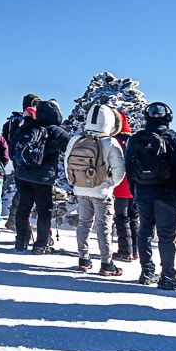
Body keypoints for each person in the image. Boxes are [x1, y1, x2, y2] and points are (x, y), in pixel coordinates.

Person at [125, 101, 176, 290]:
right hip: (167, 193)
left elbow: (129, 168)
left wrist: (133, 192)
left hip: (142, 191)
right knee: (166, 236)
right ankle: (168, 276)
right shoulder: (174, 139)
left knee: (145, 230)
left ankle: (147, 272)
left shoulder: (136, 139)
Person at [65, 104, 126, 275]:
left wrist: (75, 184)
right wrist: (109, 184)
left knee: (83, 223)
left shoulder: (76, 139)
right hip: (102, 191)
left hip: (81, 189)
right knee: (103, 227)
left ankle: (83, 259)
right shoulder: (110, 141)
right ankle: (107, 263)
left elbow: (67, 164)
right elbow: (119, 170)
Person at [10, 100, 69, 254]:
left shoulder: (27, 127)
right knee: (44, 211)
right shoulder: (57, 131)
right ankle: (41, 244)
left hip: (23, 175)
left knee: (23, 207)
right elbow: (70, 150)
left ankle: (21, 241)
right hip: (44, 178)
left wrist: (22, 166)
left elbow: (11, 150)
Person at [3, 93, 40, 232]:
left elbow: (6, 140)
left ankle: (14, 219)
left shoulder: (12, 121)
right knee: (27, 191)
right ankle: (18, 221)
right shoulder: (31, 119)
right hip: (30, 159)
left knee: (22, 189)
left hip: (17, 159)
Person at [112, 111, 139, 262]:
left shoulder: (114, 140)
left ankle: (125, 250)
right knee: (134, 217)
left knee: (121, 217)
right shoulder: (133, 139)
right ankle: (135, 250)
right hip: (134, 185)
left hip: (120, 184)